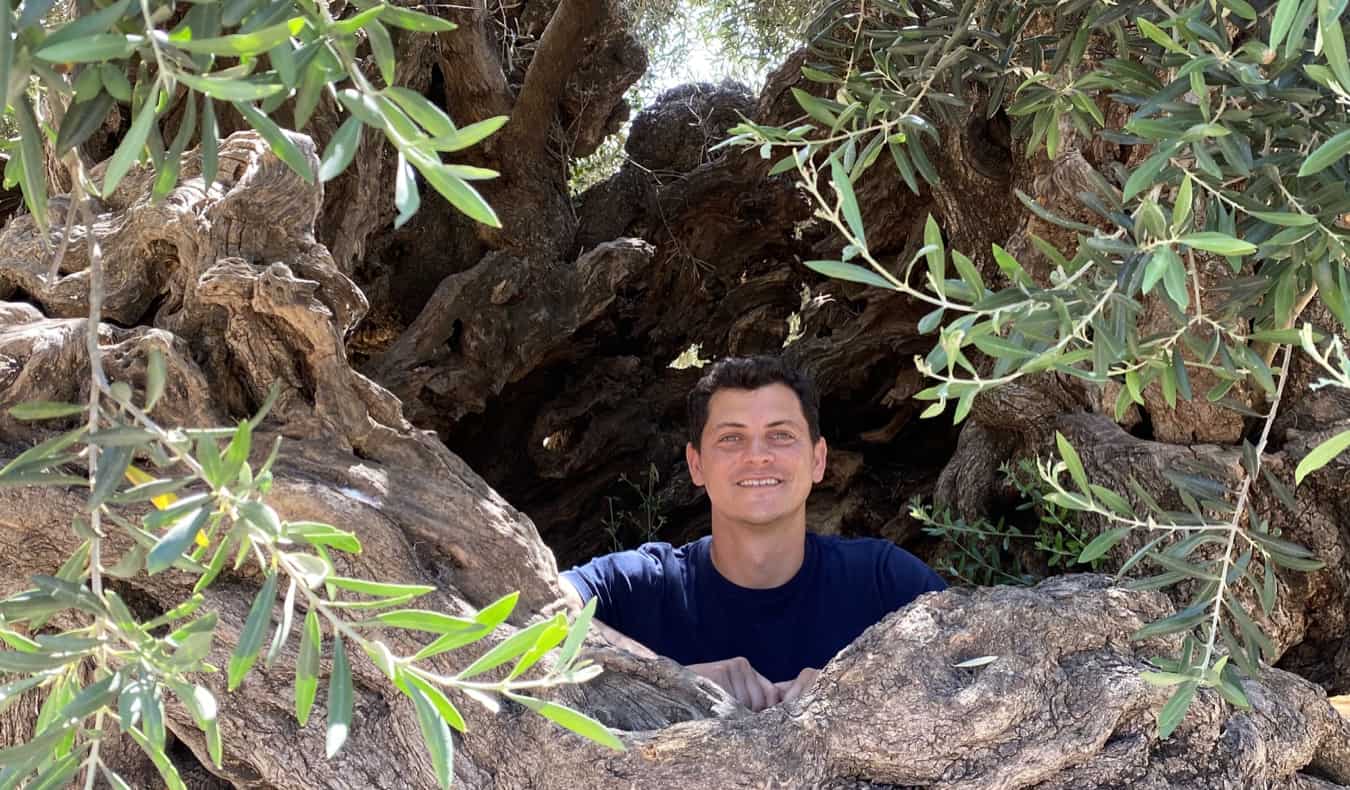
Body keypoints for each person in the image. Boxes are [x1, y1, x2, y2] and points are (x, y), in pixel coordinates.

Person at [560, 356, 946, 711]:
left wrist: (851, 684)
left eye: (780, 435)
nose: (758, 455)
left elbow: (974, 657)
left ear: (818, 460)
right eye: (731, 438)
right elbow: (531, 608)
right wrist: (672, 679)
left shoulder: (883, 582)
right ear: (696, 465)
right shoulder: (639, 585)